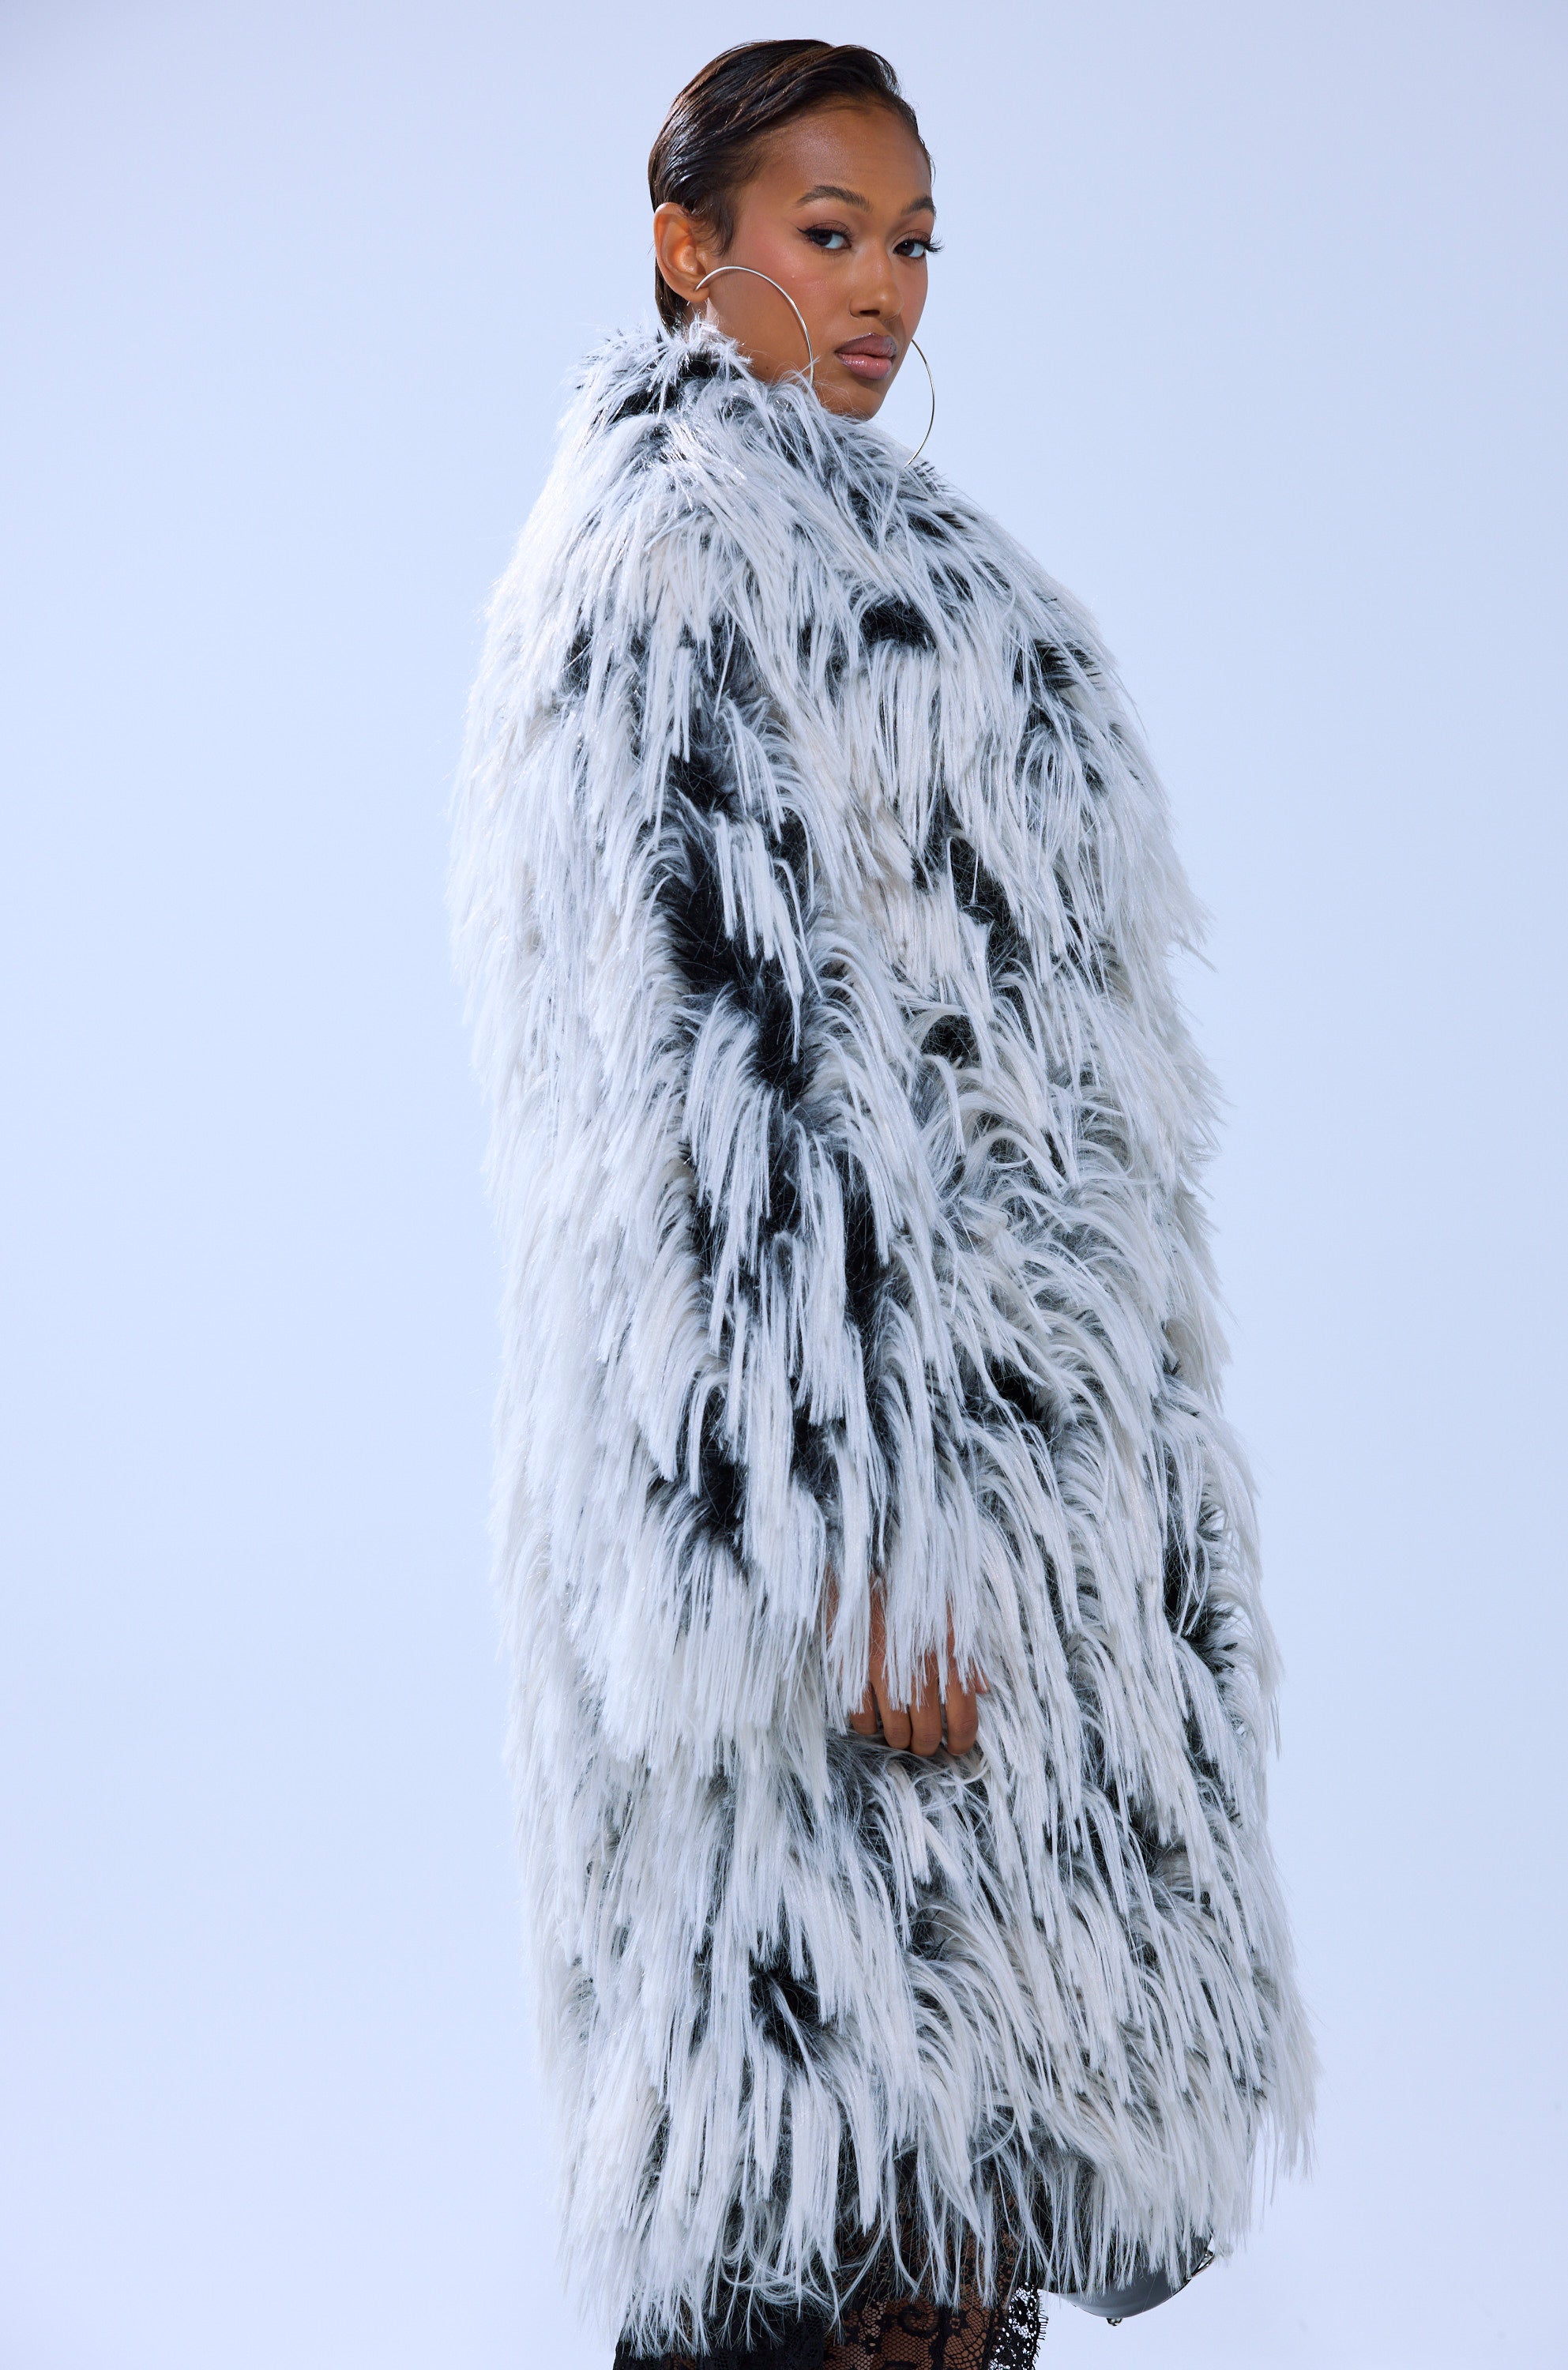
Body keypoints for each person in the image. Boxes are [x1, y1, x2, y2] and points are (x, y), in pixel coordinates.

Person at [453, 39, 1314, 2370]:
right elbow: (704, 1083)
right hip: (831, 1545)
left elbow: (1064, 1128)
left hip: (1030, 1543)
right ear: (687, 249)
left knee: (964, 2199)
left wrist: (1110, 1543)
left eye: (912, 241)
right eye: (826, 233)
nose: (881, 291)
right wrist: (847, 1540)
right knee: (818, 2178)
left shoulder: (964, 603)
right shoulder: (663, 564)